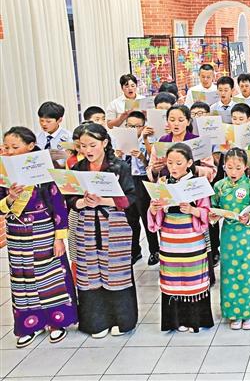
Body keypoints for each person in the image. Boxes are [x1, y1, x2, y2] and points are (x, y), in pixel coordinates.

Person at [0, 126, 78, 347]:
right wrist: (10, 198)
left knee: (50, 275)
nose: (10, 151)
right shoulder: (3, 171)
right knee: (22, 278)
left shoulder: (44, 170)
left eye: (15, 147)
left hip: (43, 230)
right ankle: (30, 324)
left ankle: (57, 322)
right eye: (6, 147)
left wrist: (59, 238)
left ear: (30, 146)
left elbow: (58, 204)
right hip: (16, 233)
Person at [68, 123, 138, 338]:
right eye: (83, 146)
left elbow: (130, 197)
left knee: (117, 273)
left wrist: (103, 200)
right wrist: (82, 202)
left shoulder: (119, 167)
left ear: (105, 142)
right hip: (86, 224)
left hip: (114, 224)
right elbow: (69, 198)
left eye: (92, 145)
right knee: (89, 272)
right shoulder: (77, 168)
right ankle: (96, 322)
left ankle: (122, 321)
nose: (88, 150)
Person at [148, 142, 214, 333]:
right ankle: (175, 321)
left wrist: (192, 210)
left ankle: (195, 320)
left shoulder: (198, 184)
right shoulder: (162, 183)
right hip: (169, 237)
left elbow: (207, 212)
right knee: (172, 277)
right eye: (170, 163)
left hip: (192, 237)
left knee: (193, 277)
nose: (173, 167)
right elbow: (154, 214)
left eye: (178, 163)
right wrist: (154, 209)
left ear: (189, 163)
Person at [211, 147, 250, 330]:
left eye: (238, 167)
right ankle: (234, 313)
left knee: (249, 272)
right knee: (230, 273)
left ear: (245, 167)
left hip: (248, 234)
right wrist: (214, 216)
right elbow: (213, 207)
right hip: (228, 235)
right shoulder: (219, 186)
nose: (234, 171)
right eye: (229, 167)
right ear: (224, 166)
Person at [117, 111, 159, 266]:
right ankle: (134, 251)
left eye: (136, 126)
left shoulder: (148, 140)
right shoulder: (119, 140)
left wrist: (141, 156)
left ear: (143, 126)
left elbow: (152, 165)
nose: (132, 129)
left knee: (146, 216)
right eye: (129, 126)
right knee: (130, 218)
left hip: (142, 180)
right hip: (125, 180)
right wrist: (117, 156)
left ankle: (154, 250)